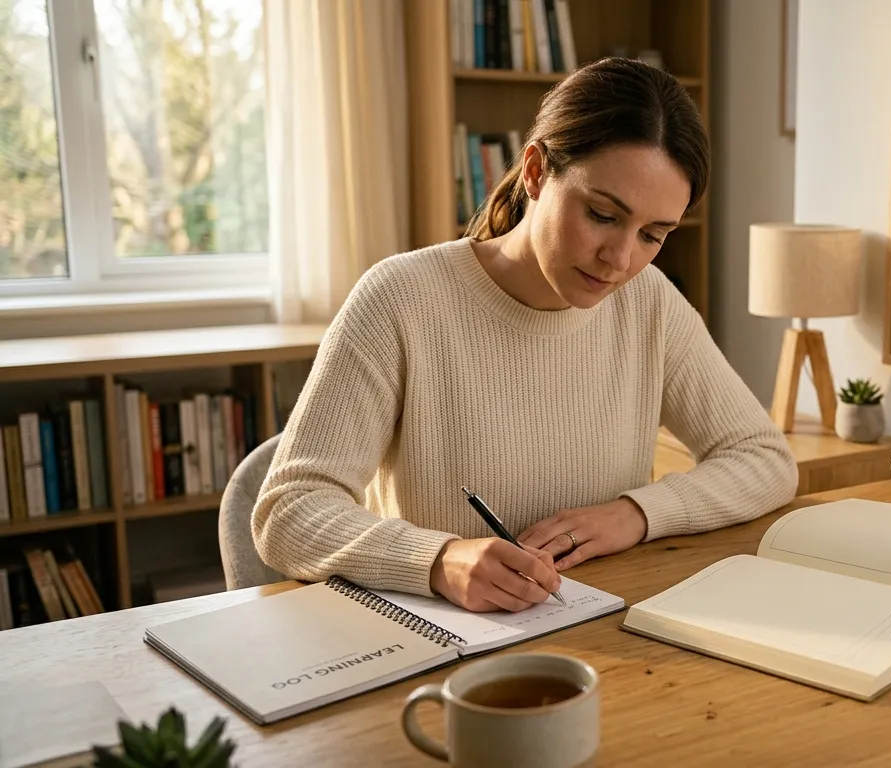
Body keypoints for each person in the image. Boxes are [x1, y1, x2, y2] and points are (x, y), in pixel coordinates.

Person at [252, 57, 798, 613]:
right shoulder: (400, 298)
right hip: (437, 643)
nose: (620, 259)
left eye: (653, 235)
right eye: (604, 215)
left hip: (603, 629)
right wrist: (437, 560)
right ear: (536, 172)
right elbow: (290, 509)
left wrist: (635, 513)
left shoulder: (650, 303)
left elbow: (763, 459)